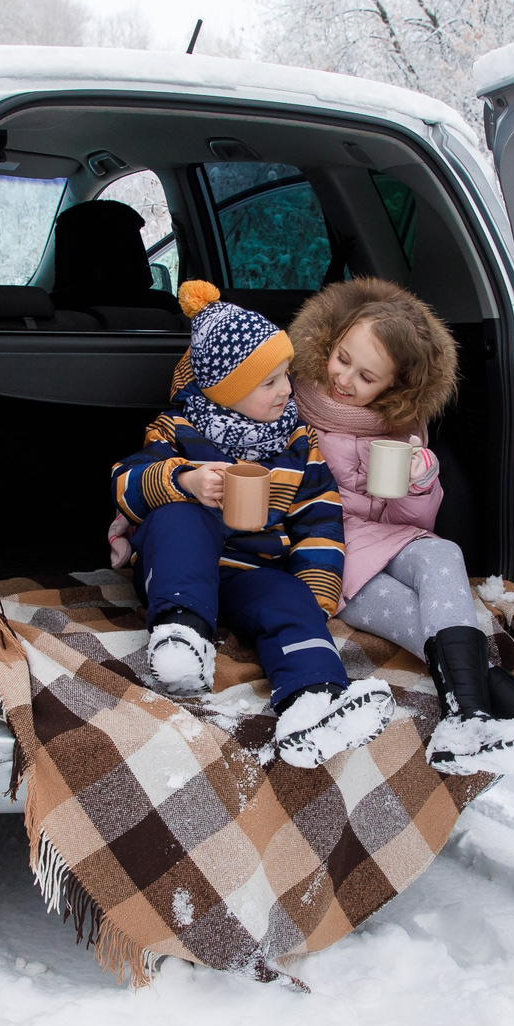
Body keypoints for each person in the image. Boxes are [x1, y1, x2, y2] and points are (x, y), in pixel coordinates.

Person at [291, 277, 514, 794]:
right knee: (415, 617)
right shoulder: (286, 400)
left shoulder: (396, 425)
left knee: (442, 552)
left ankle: (470, 719)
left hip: (378, 538)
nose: (344, 379)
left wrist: (420, 479)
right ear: (328, 341)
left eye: (367, 377)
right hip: (320, 549)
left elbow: (409, 525)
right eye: (342, 359)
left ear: (394, 387)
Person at [111, 280, 395, 770]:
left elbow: (320, 517)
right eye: (270, 382)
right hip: (178, 569)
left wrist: (317, 595)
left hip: (249, 571)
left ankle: (312, 703)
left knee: (289, 599)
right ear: (229, 389)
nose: (287, 389)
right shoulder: (177, 430)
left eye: (286, 375)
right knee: (179, 518)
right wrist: (187, 480)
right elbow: (126, 483)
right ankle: (181, 639)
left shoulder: (297, 443)